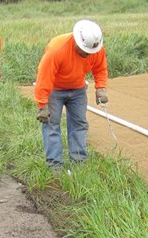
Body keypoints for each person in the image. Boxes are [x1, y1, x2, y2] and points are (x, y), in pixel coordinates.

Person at [34, 20, 109, 169]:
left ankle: (79, 162)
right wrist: (43, 104)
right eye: (85, 52)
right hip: (55, 90)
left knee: (79, 124)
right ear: (77, 41)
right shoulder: (57, 49)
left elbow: (100, 68)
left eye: (90, 52)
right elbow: (44, 77)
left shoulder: (95, 48)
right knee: (51, 124)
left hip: (78, 90)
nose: (87, 54)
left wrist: (101, 88)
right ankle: (54, 165)